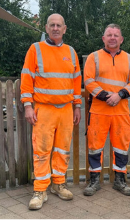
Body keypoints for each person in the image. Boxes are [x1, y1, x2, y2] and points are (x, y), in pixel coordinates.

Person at [21, 14, 82, 210]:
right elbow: (26, 78)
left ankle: (58, 184)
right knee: (42, 150)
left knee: (62, 149)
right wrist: (27, 105)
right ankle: (40, 190)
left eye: (59, 25)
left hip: (66, 109)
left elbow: (76, 81)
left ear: (64, 29)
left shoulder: (71, 52)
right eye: (52, 25)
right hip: (44, 108)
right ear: (46, 28)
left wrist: (77, 105)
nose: (55, 28)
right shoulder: (35, 49)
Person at [83, 24, 130, 197]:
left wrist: (120, 95)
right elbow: (88, 80)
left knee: (121, 148)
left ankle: (120, 181)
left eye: (116, 35)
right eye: (109, 35)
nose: (113, 38)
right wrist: (105, 96)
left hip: (121, 112)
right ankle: (94, 181)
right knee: (95, 147)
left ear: (121, 39)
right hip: (98, 111)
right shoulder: (93, 57)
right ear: (104, 38)